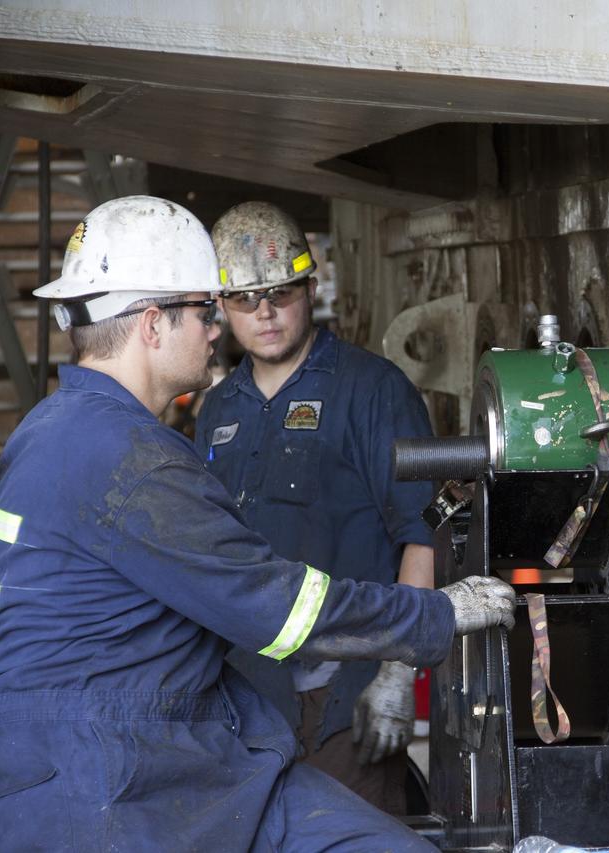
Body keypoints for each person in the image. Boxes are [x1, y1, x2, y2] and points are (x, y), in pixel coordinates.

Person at [0, 195, 516, 851]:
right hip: (118, 774)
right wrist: (438, 615)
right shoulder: (134, 459)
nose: (215, 327)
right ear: (150, 324)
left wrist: (394, 671)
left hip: (163, 743)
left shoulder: (42, 436)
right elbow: (274, 606)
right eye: (207, 309)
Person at [198, 201, 433, 813]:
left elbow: (423, 533)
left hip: (347, 699)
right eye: (246, 299)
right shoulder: (218, 411)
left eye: (280, 291)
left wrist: (397, 675)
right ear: (220, 307)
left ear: (311, 284)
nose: (266, 312)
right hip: (249, 706)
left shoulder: (374, 390)